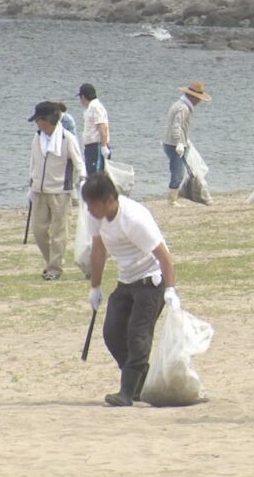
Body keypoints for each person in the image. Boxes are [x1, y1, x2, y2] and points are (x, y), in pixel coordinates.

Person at [83, 172, 182, 407]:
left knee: (138, 336)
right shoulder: (95, 216)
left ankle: (127, 392)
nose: (89, 210)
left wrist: (170, 290)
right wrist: (95, 287)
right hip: (126, 280)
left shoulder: (134, 219)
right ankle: (140, 382)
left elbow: (164, 257)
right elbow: (98, 250)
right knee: (112, 332)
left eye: (93, 205)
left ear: (109, 200)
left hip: (151, 281)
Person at [27, 101, 87, 281]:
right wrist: (30, 184)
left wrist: (82, 180)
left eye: (38, 120)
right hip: (39, 191)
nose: (37, 124)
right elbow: (33, 162)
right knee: (38, 231)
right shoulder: (38, 137)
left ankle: (54, 268)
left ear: (46, 120)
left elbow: (78, 162)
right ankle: (51, 262)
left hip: (60, 192)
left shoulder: (66, 138)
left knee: (59, 232)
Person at [162, 80, 212, 207]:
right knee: (178, 172)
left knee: (187, 170)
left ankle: (178, 195)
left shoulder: (180, 105)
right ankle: (172, 200)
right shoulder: (183, 108)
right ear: (193, 97)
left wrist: (185, 140)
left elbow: (180, 127)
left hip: (174, 142)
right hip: (174, 144)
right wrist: (179, 142)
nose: (199, 101)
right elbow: (176, 126)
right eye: (198, 98)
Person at [78, 83, 110, 174]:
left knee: (97, 175)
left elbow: (103, 127)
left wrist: (103, 147)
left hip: (97, 146)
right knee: (91, 174)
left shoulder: (96, 107)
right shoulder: (91, 107)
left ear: (83, 97)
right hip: (90, 147)